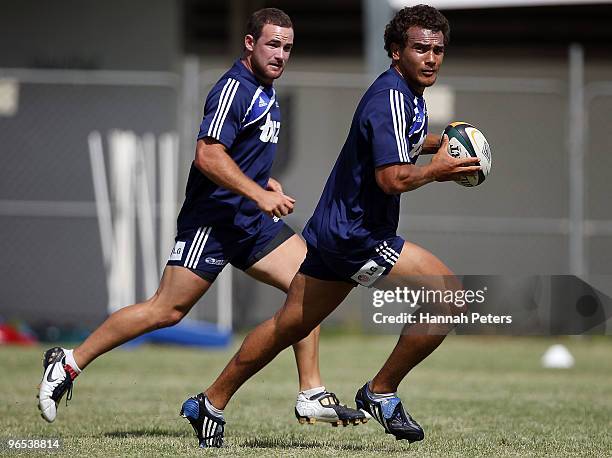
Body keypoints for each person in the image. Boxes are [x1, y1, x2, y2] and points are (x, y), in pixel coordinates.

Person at [37, 7, 365, 435]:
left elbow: (237, 155)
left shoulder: (266, 90)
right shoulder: (235, 87)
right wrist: (259, 193)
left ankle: (311, 392)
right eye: (272, 44)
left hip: (249, 221)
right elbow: (208, 155)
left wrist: (265, 182)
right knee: (165, 311)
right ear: (250, 43)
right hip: (211, 223)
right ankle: (69, 362)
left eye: (287, 47)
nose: (281, 54)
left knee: (312, 285)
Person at [181, 4, 483, 448]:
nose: (432, 58)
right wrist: (438, 170)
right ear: (395, 52)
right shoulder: (389, 99)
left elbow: (408, 140)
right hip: (357, 237)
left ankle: (210, 400)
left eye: (438, 50)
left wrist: (451, 144)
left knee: (289, 325)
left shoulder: (407, 95)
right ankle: (380, 393)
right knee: (449, 295)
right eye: (420, 49)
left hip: (336, 231)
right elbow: (390, 178)